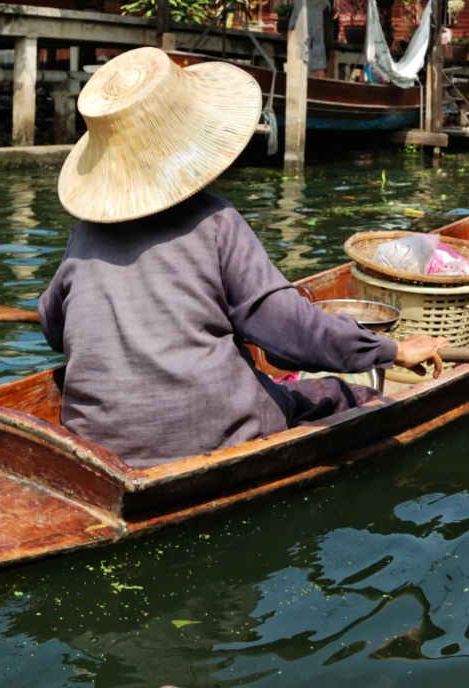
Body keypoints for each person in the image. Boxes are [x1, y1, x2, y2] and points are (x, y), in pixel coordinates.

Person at [39, 46, 447, 469]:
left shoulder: (84, 235)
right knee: (347, 395)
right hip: (212, 435)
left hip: (96, 452)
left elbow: (54, 328)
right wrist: (391, 350)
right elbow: (289, 332)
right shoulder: (215, 221)